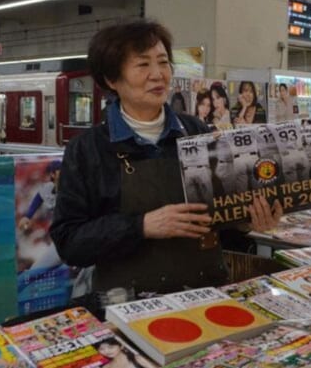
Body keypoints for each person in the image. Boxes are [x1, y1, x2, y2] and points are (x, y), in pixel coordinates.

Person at [50, 20, 283, 302]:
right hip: (125, 303)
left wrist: (248, 222)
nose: (158, 74)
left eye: (163, 62)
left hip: (204, 293)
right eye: (143, 65)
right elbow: (70, 242)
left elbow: (218, 218)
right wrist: (142, 226)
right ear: (112, 79)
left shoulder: (196, 131)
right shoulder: (87, 149)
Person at [18, 160, 63, 270]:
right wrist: (27, 216)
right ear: (52, 174)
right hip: (59, 240)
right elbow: (37, 200)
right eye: (60, 171)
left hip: (73, 237)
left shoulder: (73, 188)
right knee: (34, 271)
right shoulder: (47, 188)